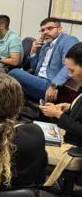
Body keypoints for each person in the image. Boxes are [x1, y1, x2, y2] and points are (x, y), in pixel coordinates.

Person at [39, 42, 82, 186]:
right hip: (71, 137)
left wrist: (58, 115)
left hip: (75, 146)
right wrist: (69, 107)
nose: (69, 75)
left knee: (27, 145)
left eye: (72, 70)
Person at [9, 17, 78, 102]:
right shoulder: (45, 45)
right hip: (38, 79)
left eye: (49, 28)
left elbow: (69, 66)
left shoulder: (68, 40)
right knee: (6, 82)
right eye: (43, 30)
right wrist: (34, 51)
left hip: (50, 83)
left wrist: (54, 85)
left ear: (60, 29)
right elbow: (34, 67)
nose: (45, 32)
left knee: (13, 72)